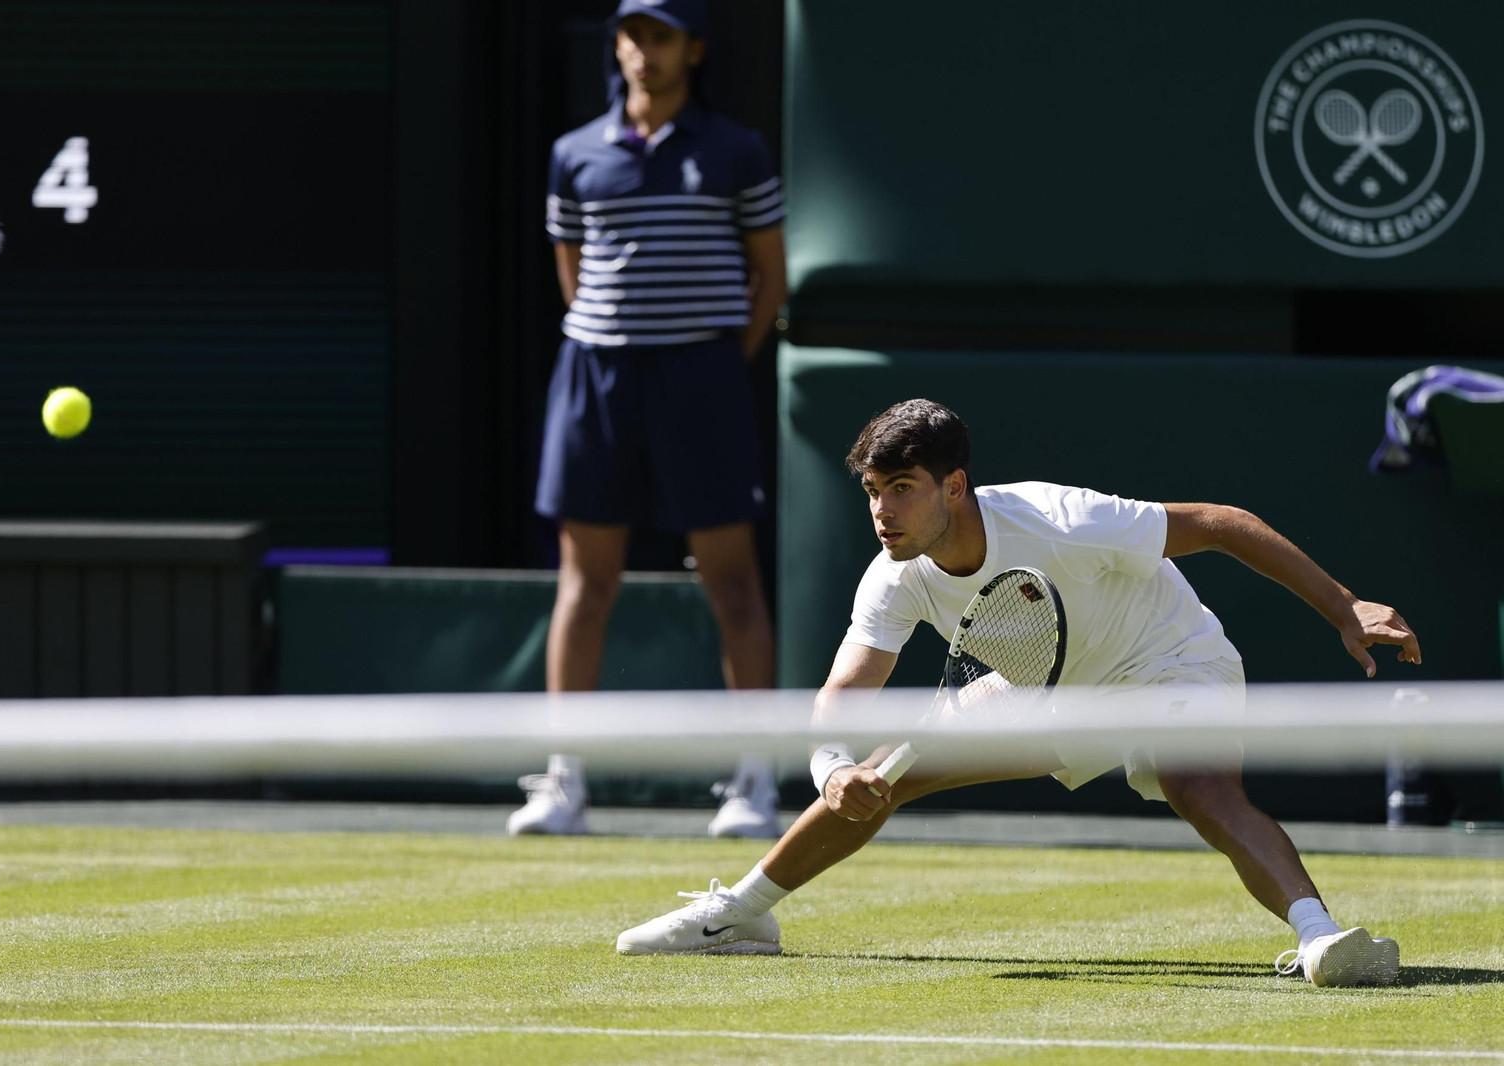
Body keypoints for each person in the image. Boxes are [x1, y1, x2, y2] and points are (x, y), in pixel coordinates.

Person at [616, 399, 1423, 988]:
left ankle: (1320, 939)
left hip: (1168, 660)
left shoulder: (1062, 519)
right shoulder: (893, 576)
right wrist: (833, 768)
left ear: (954, 486)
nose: (882, 512)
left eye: (902, 488)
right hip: (1049, 686)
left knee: (1198, 784)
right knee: (884, 774)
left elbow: (1220, 521)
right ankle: (742, 914)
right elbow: (843, 692)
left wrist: (1344, 607)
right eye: (872, 490)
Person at [510, 0, 787, 839]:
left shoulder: (736, 150)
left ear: (693, 50)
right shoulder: (574, 154)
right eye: (632, 35)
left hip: (701, 378)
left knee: (732, 582)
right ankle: (564, 782)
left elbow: (769, 279)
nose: (643, 52)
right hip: (596, 378)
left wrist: (711, 362)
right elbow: (573, 274)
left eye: (661, 36)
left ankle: (755, 780)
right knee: (584, 584)